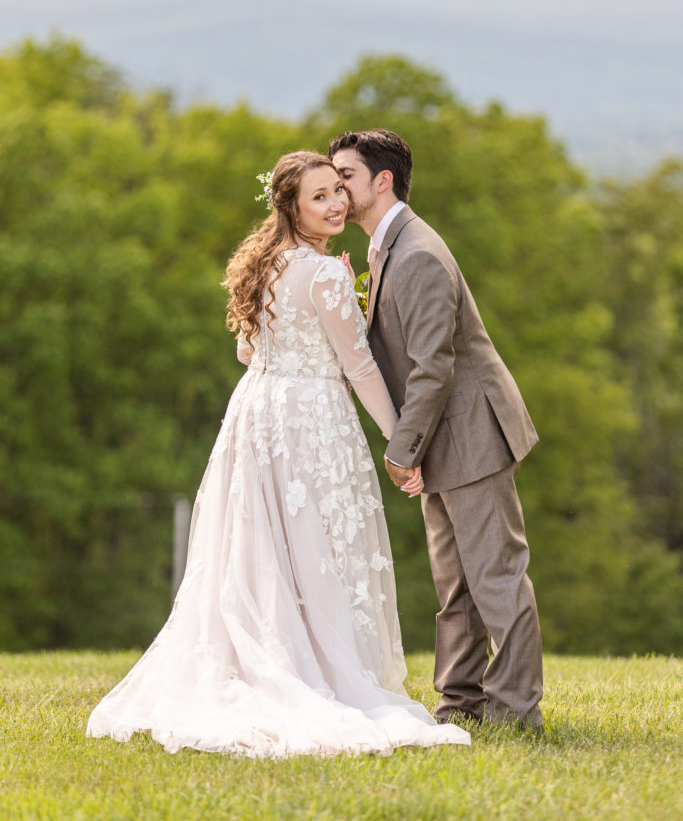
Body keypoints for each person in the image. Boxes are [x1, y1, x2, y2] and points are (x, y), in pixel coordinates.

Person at [86, 151, 470, 756]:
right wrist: (403, 442)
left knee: (267, 545)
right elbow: (360, 366)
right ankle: (316, 668)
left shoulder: (262, 265)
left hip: (257, 412)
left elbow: (247, 353)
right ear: (291, 205)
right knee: (313, 544)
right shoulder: (324, 274)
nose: (337, 203)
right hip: (311, 418)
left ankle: (272, 655)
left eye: (338, 191)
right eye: (320, 196)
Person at [329, 130, 544, 728]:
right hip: (443, 436)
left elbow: (434, 365)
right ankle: (460, 701)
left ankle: (517, 711)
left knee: (497, 578)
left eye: (345, 175)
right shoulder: (384, 248)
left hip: (472, 433)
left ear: (382, 181)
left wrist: (402, 452)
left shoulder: (417, 253)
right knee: (455, 586)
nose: (337, 188)